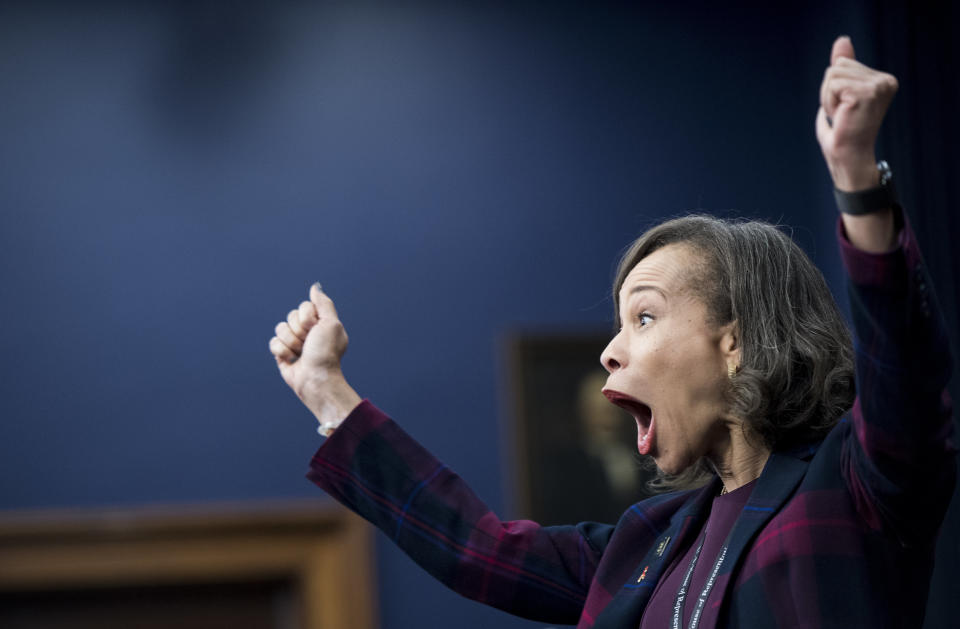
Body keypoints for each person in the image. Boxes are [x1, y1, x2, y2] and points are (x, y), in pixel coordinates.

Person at [268, 36, 955, 628]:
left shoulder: (854, 483)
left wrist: (859, 183)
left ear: (736, 341)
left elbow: (904, 364)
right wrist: (329, 393)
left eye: (644, 316)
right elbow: (479, 548)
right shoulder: (645, 543)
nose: (610, 349)